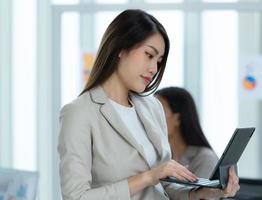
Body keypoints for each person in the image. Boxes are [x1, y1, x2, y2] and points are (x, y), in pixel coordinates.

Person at [58, 9, 239, 200]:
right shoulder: (79, 113)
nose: (154, 69)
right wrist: (147, 177)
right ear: (121, 48)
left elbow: (165, 185)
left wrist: (207, 191)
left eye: (159, 61)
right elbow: (75, 197)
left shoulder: (152, 107)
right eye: (149, 55)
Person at [155, 87, 218, 178]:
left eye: (158, 112)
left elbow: (201, 192)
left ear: (178, 119)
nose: (151, 119)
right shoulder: (158, 157)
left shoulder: (205, 159)